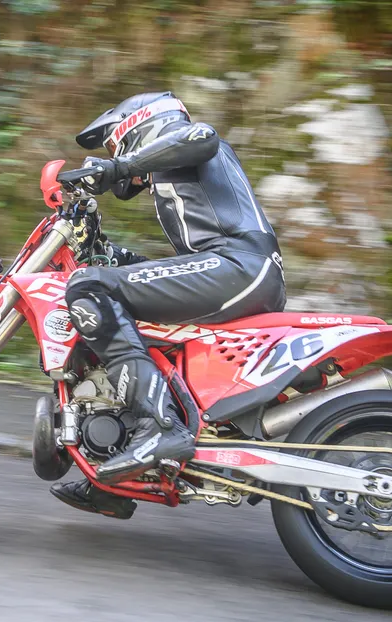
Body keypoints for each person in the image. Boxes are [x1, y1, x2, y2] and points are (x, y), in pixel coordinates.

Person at [51, 91, 287, 519]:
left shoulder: (186, 138)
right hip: (232, 268)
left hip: (239, 267)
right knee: (112, 306)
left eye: (113, 146)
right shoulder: (181, 177)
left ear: (137, 127)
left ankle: (160, 427)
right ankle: (120, 476)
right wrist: (112, 255)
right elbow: (177, 272)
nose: (116, 160)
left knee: (89, 289)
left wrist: (121, 166)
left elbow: (203, 135)